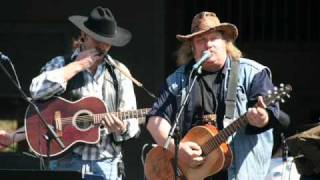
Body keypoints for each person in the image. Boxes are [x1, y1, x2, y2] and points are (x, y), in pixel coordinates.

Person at [0, 6, 139, 180]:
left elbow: (132, 125)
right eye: (97, 40)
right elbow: (36, 92)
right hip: (64, 165)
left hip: (107, 166)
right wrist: (77, 66)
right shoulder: (60, 63)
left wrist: (121, 128)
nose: (103, 46)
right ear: (84, 35)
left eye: (107, 42)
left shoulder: (119, 73)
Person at [146, 11, 280, 179]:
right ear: (192, 47)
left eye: (214, 38)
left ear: (226, 42)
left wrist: (262, 118)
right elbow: (155, 120)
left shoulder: (252, 73)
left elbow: (271, 114)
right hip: (193, 173)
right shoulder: (178, 79)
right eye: (200, 40)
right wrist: (177, 149)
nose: (208, 44)